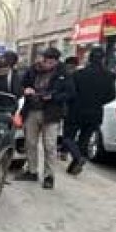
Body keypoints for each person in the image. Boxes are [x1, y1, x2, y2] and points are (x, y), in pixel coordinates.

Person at [15, 48, 75, 190]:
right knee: (30, 142)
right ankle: (32, 171)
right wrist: (26, 90)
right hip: (32, 110)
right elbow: (21, 85)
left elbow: (70, 93)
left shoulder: (63, 73)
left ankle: (49, 176)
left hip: (52, 112)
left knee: (50, 145)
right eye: (46, 61)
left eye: (51, 62)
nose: (48, 64)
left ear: (56, 61)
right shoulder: (33, 69)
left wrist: (53, 97)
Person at [66, 48, 116, 175]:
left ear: (89, 59)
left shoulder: (78, 74)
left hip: (76, 110)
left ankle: (78, 158)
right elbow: (112, 95)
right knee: (84, 138)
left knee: (68, 137)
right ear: (103, 59)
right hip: (95, 111)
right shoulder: (109, 76)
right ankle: (75, 165)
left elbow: (71, 92)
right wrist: (98, 102)